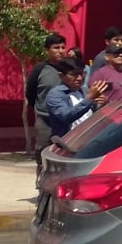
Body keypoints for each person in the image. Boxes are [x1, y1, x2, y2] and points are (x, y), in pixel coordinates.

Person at [27, 32, 68, 177]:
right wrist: (41, 109)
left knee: (65, 155)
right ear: (47, 50)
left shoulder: (69, 68)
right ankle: (42, 186)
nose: (60, 51)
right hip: (45, 120)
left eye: (63, 47)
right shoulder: (40, 69)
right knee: (42, 152)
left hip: (66, 121)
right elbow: (30, 93)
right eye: (56, 48)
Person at [45, 59, 108, 138]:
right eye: (74, 75)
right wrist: (89, 98)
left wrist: (104, 103)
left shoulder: (85, 91)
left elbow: (93, 112)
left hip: (89, 138)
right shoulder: (55, 95)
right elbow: (67, 116)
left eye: (81, 74)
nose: (79, 78)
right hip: (68, 141)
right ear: (61, 75)